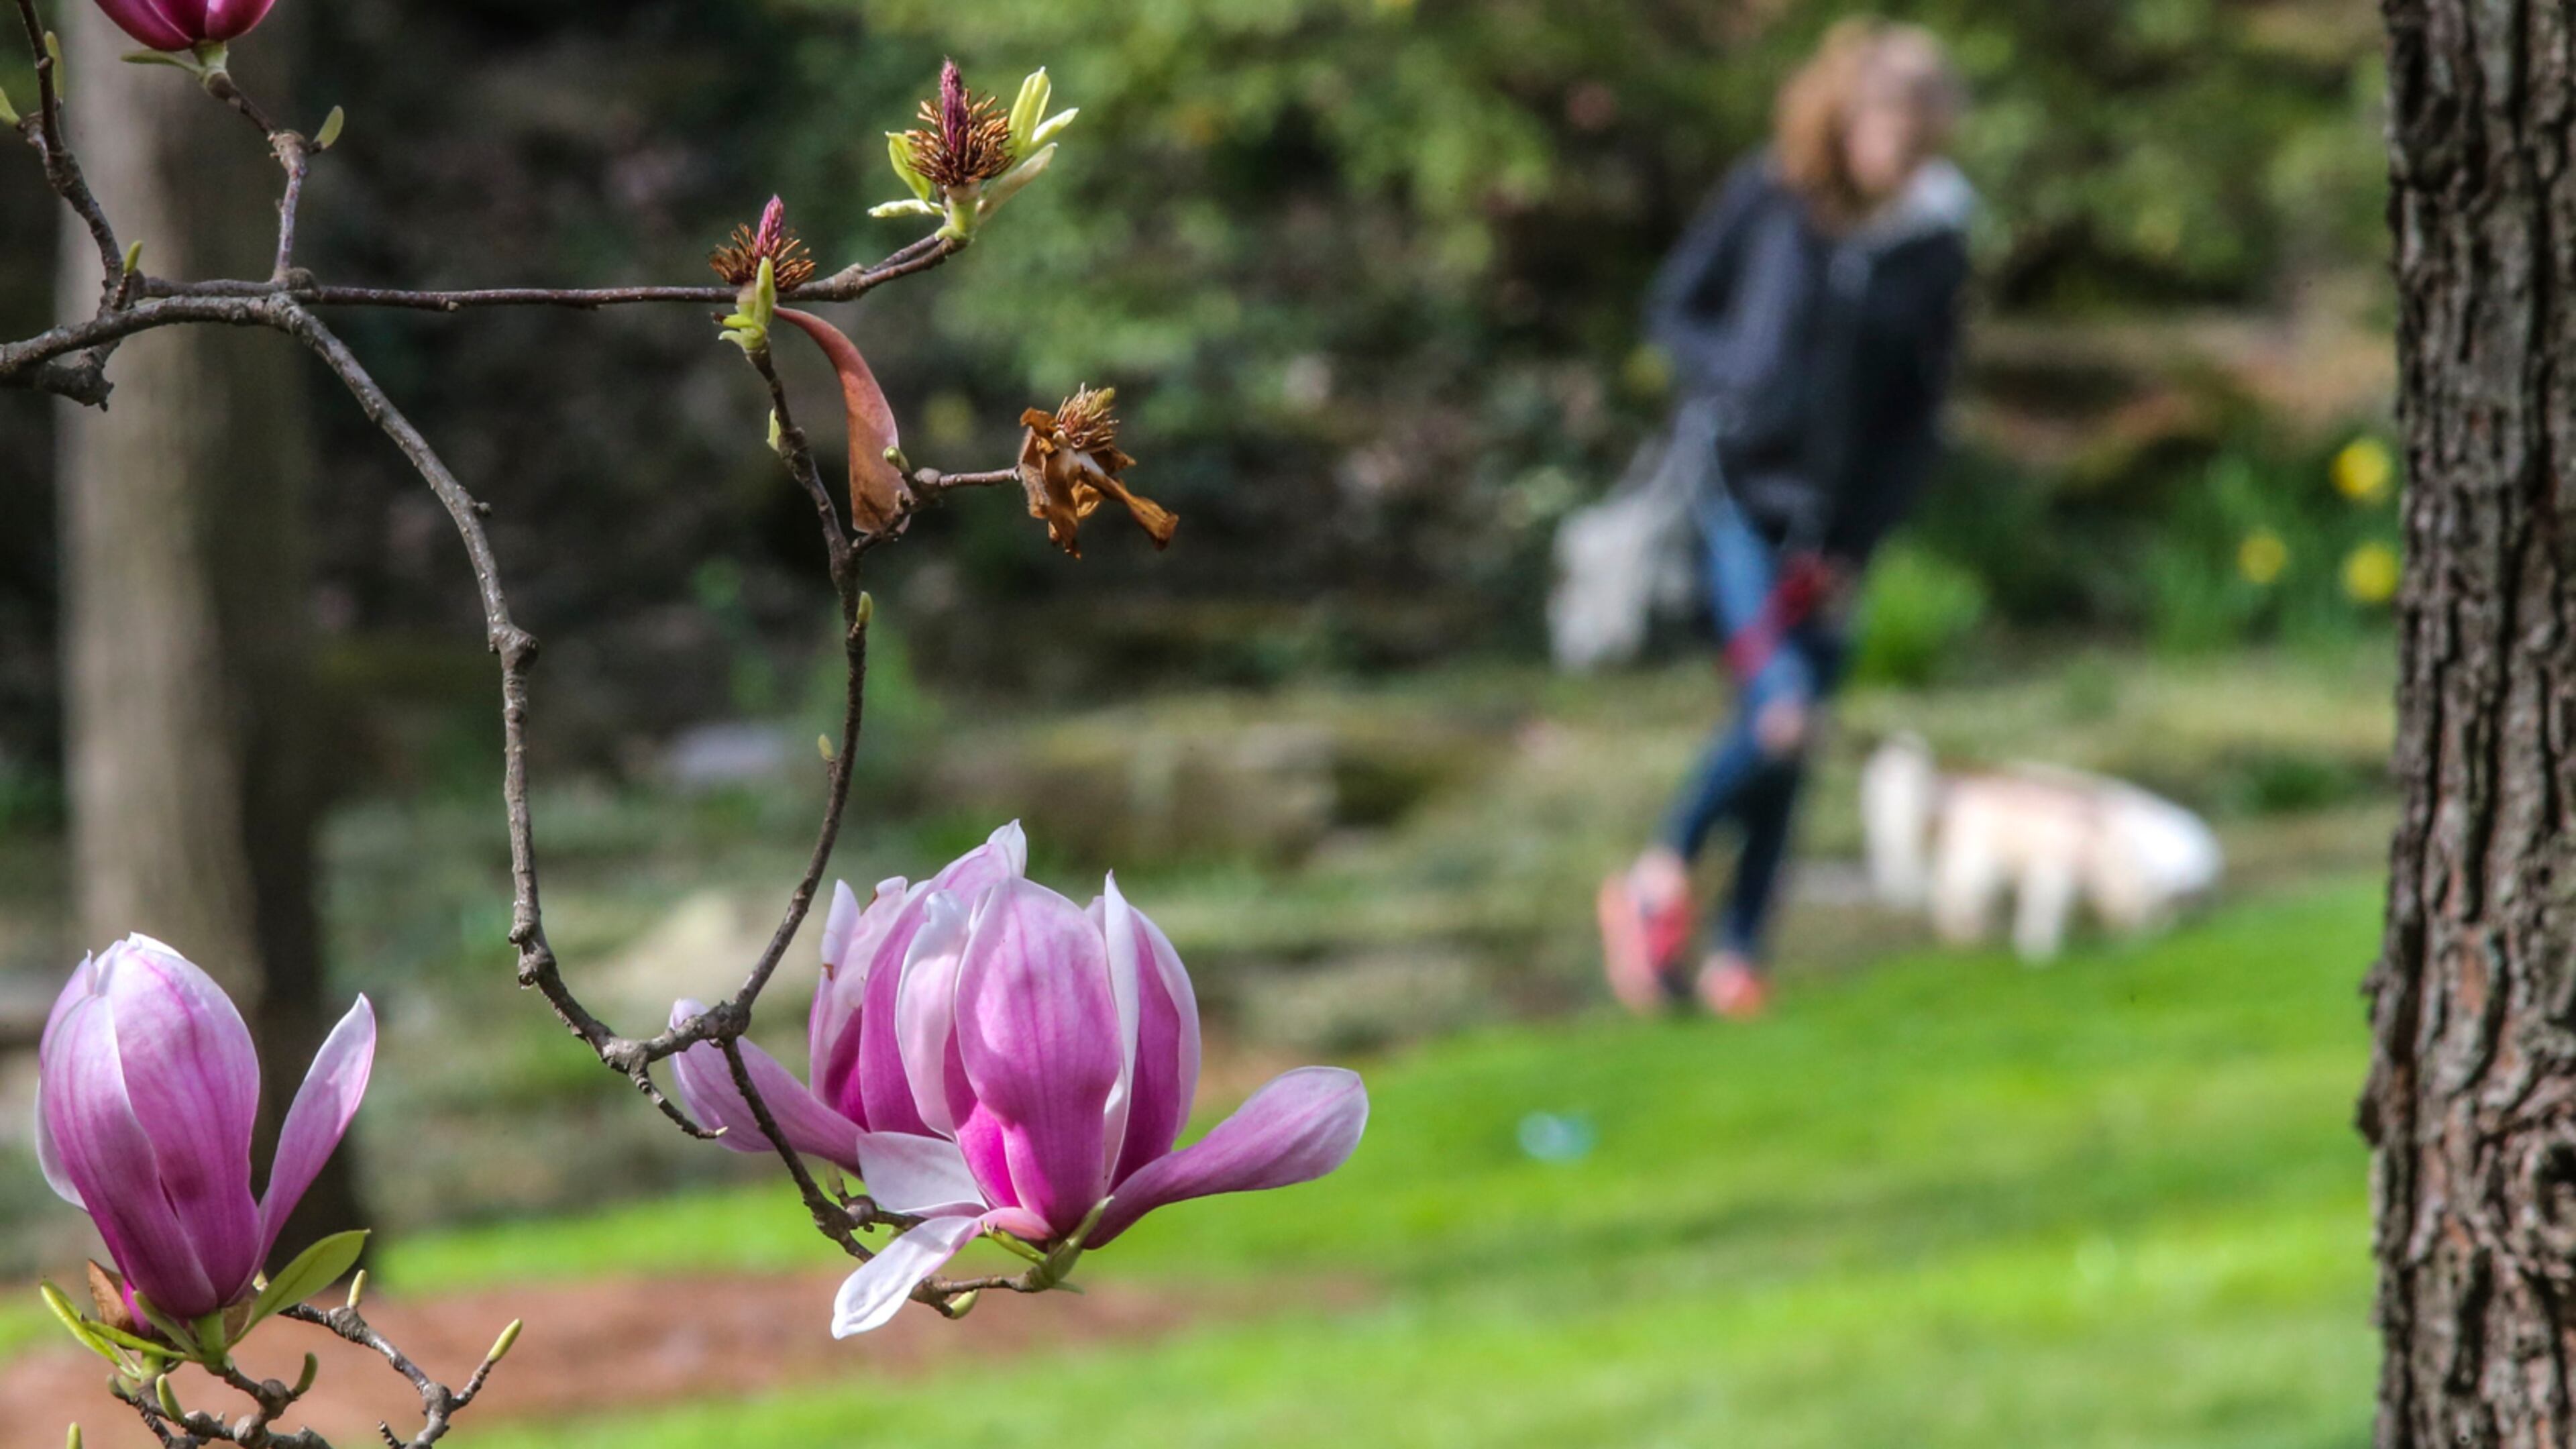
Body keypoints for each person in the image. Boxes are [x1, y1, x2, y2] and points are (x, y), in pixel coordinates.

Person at [1598, 19, 1974, 1020]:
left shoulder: (1932, 241)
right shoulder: (1772, 195)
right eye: (1879, 126)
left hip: (1840, 529)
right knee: (1783, 710)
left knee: (1790, 742)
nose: (1893, 149)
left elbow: (1917, 416)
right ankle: (1657, 875)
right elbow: (1675, 307)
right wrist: (1739, 382)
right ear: (1842, 117)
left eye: (1913, 131)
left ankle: (1741, 954)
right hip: (1738, 495)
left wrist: (1859, 543)